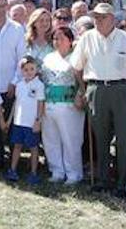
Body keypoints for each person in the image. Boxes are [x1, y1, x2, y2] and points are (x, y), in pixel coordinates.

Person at [70, 3, 126, 196]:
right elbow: (76, 67)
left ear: (112, 19)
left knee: (124, 138)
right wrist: (83, 90)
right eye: (95, 17)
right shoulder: (87, 38)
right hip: (96, 89)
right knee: (100, 137)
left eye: (102, 17)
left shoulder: (125, 39)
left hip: (122, 90)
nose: (98, 20)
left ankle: (122, 183)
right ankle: (103, 179)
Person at [41, 27, 85, 185]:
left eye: (61, 38)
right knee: (51, 138)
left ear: (70, 40)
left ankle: (73, 173)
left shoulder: (76, 58)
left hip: (69, 105)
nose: (57, 41)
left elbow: (83, 81)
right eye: (55, 38)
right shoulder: (48, 58)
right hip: (49, 103)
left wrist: (81, 95)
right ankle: (57, 170)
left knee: (70, 139)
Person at [3, 56, 45, 185]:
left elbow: (40, 103)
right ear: (21, 71)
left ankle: (33, 172)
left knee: (33, 147)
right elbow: (16, 103)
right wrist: (10, 120)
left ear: (36, 69)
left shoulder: (39, 85)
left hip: (31, 123)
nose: (29, 72)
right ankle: (13, 170)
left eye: (32, 69)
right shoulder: (19, 85)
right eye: (26, 69)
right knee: (17, 146)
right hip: (18, 122)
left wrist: (38, 120)